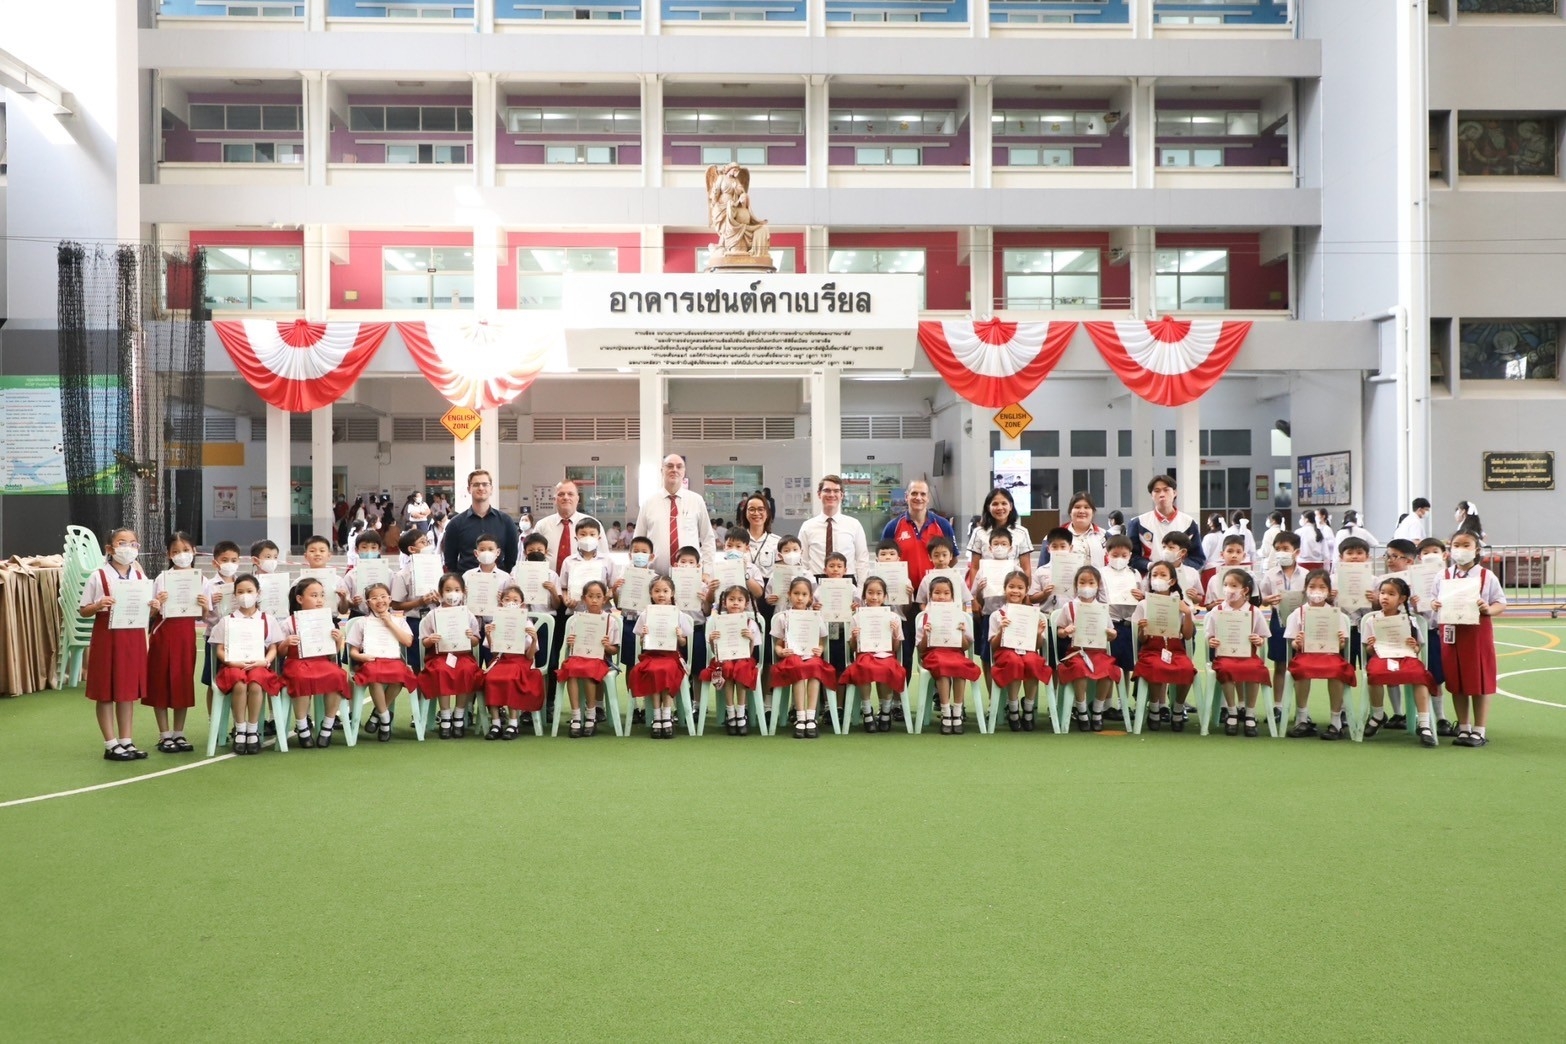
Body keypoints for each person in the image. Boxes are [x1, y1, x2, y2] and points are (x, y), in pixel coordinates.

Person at [80, 526, 151, 761]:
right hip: (107, 637)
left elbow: (146, 609)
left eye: (132, 543)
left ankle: (126, 740)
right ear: (109, 549)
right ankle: (111, 744)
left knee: (127, 691)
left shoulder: (139, 577)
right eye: (122, 543)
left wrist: (154, 605)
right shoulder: (98, 576)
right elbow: (83, 610)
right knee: (105, 691)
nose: (128, 548)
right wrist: (98, 604)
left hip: (133, 637)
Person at [1432, 530, 1505, 746]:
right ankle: (1463, 727)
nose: (1461, 550)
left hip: (1477, 633)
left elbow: (1500, 602)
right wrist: (1434, 604)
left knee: (1479, 680)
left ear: (1476, 549)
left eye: (1466, 545)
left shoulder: (1486, 576)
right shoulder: (1443, 576)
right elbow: (1433, 600)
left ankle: (1479, 730)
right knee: (1456, 681)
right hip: (1451, 633)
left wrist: (1488, 609)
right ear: (1450, 548)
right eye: (1456, 545)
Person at [210, 573, 285, 755]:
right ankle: (240, 729)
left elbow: (273, 647)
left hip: (259, 665)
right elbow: (219, 649)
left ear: (258, 593)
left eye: (250, 591)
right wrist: (231, 661)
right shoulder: (227, 620)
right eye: (240, 591)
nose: (245, 595)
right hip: (233, 665)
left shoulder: (268, 619)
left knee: (256, 682)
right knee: (239, 682)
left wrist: (265, 661)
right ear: (235, 595)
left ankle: (253, 729)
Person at [1360, 577, 1439, 747]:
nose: (1385, 597)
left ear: (1402, 599)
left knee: (1419, 674)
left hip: (1405, 657)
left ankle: (1424, 724)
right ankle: (1378, 715)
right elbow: (1369, 650)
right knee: (1375, 673)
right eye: (1382, 593)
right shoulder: (1372, 620)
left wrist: (1413, 645)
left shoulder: (1409, 621)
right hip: (1381, 657)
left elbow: (1417, 648)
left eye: (1391, 594)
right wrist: (1372, 646)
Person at [1283, 570, 1357, 740]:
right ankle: (1302, 719)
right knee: (1301, 669)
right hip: (1305, 655)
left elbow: (1342, 645)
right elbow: (1292, 643)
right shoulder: (1297, 613)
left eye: (1322, 587)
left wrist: (1340, 642)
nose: (1317, 591)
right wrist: (1298, 642)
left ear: (1329, 591)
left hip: (1330, 656)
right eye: (1312, 586)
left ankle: (1336, 722)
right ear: (1305, 589)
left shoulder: (1336, 614)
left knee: (1337, 670)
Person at [278, 577, 348, 749]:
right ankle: (302, 726)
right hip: (296, 662)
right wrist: (286, 643)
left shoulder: (327, 621)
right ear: (300, 599)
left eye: (322, 595)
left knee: (338, 675)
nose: (319, 600)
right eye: (314, 595)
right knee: (300, 678)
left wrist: (338, 641)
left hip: (322, 662)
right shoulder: (288, 622)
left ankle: (328, 725)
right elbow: (280, 654)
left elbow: (332, 654)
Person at [146, 531, 200, 754]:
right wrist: (157, 603)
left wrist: (206, 604)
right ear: (169, 555)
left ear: (194, 551)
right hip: (163, 633)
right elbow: (150, 612)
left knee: (182, 682)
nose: (182, 555)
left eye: (186, 550)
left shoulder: (200, 580)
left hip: (186, 637)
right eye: (176, 551)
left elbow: (207, 615)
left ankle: (179, 733)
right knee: (160, 683)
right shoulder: (162, 579)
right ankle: (164, 735)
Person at [1052, 566, 1121, 732]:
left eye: (1091, 582)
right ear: (1076, 585)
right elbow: (1059, 632)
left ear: (1098, 585)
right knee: (1079, 669)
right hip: (1077, 652)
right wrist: (1065, 631)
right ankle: (1081, 710)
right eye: (1082, 582)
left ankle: (1097, 710)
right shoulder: (1069, 607)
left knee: (1108, 670)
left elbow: (1111, 634)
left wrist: (1112, 634)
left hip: (1098, 652)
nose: (1086, 586)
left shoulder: (1102, 608)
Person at [347, 582, 417, 742]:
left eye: (383, 596)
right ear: (368, 603)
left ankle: (377, 714)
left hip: (393, 660)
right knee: (374, 675)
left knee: (401, 674)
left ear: (390, 599)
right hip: (371, 660)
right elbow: (353, 651)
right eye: (374, 598)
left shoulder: (399, 621)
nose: (380, 600)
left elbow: (407, 641)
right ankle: (385, 718)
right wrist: (361, 657)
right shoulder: (361, 622)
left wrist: (389, 623)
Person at [1132, 560, 1198, 730]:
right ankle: (1154, 707)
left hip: (1175, 649)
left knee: (1187, 669)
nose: (1158, 578)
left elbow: (1188, 635)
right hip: (1151, 649)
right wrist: (1143, 629)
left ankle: (1178, 708)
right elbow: (1142, 640)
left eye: (1163, 575)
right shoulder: (1144, 604)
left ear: (1172, 581)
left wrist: (1187, 613)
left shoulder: (1180, 604)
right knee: (1155, 666)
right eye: (1154, 575)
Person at [1206, 568, 1273, 736]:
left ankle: (1250, 712)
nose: (1228, 589)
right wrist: (1211, 641)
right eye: (1226, 585)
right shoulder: (1217, 610)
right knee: (1226, 669)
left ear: (1245, 590)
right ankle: (1232, 711)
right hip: (1224, 656)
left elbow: (1262, 637)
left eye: (1234, 585)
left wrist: (1259, 640)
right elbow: (1209, 635)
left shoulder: (1254, 612)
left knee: (1255, 669)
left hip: (1248, 656)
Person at [417, 573, 483, 739]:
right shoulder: (432, 615)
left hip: (463, 655)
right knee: (441, 671)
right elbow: (424, 642)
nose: (452, 594)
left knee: (467, 670)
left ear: (463, 592)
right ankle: (445, 717)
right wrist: (431, 639)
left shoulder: (468, 614)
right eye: (448, 590)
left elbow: (476, 641)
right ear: (440, 592)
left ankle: (459, 715)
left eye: (457, 589)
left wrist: (471, 637)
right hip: (438, 656)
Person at [915, 575, 982, 735]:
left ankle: (957, 712)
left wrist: (962, 633)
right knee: (942, 665)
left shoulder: (960, 616)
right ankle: (945, 712)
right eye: (937, 593)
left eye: (946, 593)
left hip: (955, 653)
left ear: (952, 596)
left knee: (960, 665)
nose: (942, 597)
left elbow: (965, 646)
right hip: (933, 654)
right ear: (930, 595)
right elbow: (921, 649)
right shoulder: (924, 617)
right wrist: (926, 634)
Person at [630, 576, 695, 740]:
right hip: (651, 655)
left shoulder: (678, 614)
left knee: (666, 670)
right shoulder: (646, 614)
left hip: (671, 656)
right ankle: (656, 715)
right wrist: (644, 635)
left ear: (672, 593)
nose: (661, 595)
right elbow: (642, 643)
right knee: (653, 670)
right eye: (657, 591)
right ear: (651, 593)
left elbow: (683, 642)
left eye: (665, 591)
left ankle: (667, 714)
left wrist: (679, 635)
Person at [771, 576, 835, 739]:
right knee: (798, 666)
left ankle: (811, 717)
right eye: (796, 593)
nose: (800, 598)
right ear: (789, 594)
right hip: (791, 658)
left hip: (810, 656)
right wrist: (781, 652)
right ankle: (800, 716)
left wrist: (820, 649)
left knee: (815, 666)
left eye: (804, 594)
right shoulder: (783, 617)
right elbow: (777, 644)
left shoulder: (815, 617)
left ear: (810, 597)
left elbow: (821, 642)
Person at [840, 576, 907, 733]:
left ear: (885, 596)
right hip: (865, 655)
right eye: (870, 593)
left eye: (879, 593)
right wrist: (854, 637)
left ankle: (885, 711)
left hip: (887, 655)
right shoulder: (857, 617)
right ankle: (867, 711)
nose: (874, 597)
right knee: (863, 667)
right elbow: (853, 648)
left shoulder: (893, 617)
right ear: (864, 595)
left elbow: (896, 648)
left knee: (887, 668)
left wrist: (895, 633)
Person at [555, 580, 620, 737]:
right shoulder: (577, 619)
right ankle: (576, 716)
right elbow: (572, 647)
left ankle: (591, 715)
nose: (594, 600)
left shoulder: (610, 620)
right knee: (571, 670)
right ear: (584, 599)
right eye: (590, 596)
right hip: (579, 657)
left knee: (588, 670)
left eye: (598, 596)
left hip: (600, 659)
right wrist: (571, 642)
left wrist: (607, 646)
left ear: (604, 599)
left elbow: (615, 650)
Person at [988, 571, 1050, 733]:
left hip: (1027, 651)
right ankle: (1013, 708)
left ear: (1027, 590)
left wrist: (1038, 634)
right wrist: (1001, 630)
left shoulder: (1033, 615)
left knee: (1032, 661)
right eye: (1011, 587)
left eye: (1020, 588)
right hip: (1005, 653)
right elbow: (993, 645)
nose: (1015, 591)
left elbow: (1038, 645)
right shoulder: (997, 615)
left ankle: (1028, 708)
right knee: (1014, 662)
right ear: (1005, 589)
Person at [481, 586, 545, 740]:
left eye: (515, 600)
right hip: (502, 661)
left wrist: (534, 639)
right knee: (490, 678)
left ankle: (513, 723)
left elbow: (529, 656)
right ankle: (496, 723)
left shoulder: (527, 623)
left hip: (521, 662)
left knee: (511, 678)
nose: (511, 603)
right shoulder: (496, 622)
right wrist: (489, 635)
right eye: (507, 599)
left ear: (522, 604)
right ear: (501, 602)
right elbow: (495, 653)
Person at [700, 585, 764, 736]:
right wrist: (712, 640)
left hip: (744, 659)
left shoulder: (751, 623)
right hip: (724, 659)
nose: (735, 603)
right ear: (724, 602)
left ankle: (741, 713)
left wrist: (750, 639)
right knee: (727, 667)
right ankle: (730, 713)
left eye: (740, 600)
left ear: (746, 604)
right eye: (732, 599)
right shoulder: (718, 621)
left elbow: (750, 653)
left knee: (741, 667)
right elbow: (715, 652)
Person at [636, 455, 716, 574]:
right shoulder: (649, 503)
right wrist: (638, 571)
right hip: (656, 576)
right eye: (669, 466)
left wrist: (707, 571)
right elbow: (638, 540)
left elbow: (707, 538)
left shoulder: (696, 500)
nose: (674, 469)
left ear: (684, 472)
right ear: (662, 470)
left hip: (689, 576)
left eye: (679, 467)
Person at [442, 470, 520, 576]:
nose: (481, 488)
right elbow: (450, 560)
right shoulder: (456, 524)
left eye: (485, 484)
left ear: (491, 489)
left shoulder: (506, 522)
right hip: (466, 581)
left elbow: (512, 557)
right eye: (476, 484)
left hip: (498, 581)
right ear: (469, 489)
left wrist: (502, 575)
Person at [1127, 474, 1204, 574]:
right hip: (1149, 577)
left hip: (1181, 577)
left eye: (1166, 490)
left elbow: (1198, 558)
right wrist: (1151, 566)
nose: (1162, 494)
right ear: (1151, 495)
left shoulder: (1189, 523)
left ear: (1175, 493)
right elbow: (1131, 557)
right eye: (1157, 491)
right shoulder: (1138, 522)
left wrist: (1177, 566)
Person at [799, 474, 871, 580]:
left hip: (847, 581)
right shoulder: (808, 526)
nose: (831, 494)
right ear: (819, 494)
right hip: (816, 581)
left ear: (841, 495)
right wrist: (810, 586)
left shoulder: (854, 525)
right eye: (827, 490)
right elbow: (802, 561)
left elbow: (862, 560)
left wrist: (860, 588)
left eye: (836, 491)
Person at [1062, 493, 1108, 566]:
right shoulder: (1057, 536)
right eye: (1077, 507)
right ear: (1070, 512)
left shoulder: (1105, 536)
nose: (1082, 511)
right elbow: (1045, 566)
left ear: (1093, 512)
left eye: (1086, 507)